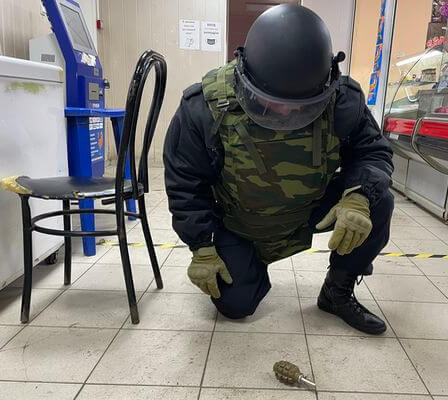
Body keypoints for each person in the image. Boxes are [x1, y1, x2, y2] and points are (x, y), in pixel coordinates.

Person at [164, 4, 394, 334]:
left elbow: (372, 152)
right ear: (245, 74)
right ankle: (247, 265)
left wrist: (358, 197)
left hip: (308, 209)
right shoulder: (205, 107)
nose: (284, 113)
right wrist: (201, 245)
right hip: (239, 223)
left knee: (378, 200)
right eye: (270, 100)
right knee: (236, 305)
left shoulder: (342, 100)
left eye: (299, 106)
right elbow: (185, 183)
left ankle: (337, 291)